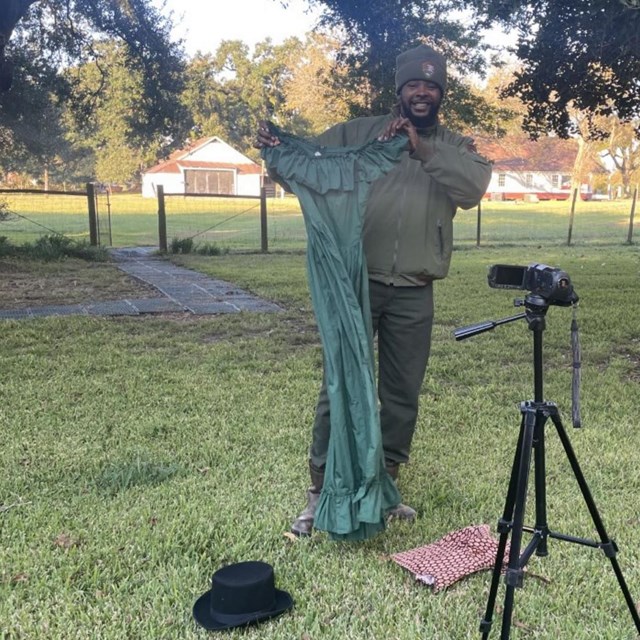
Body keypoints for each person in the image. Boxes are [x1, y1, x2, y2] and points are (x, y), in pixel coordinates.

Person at [256, 43, 492, 536]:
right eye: (413, 84)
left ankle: (383, 488)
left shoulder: (455, 145)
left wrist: (421, 149)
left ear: (441, 92)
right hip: (356, 285)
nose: (422, 92)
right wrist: (276, 152)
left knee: (402, 394)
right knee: (340, 384)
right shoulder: (357, 133)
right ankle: (320, 492)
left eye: (431, 85)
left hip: (415, 289)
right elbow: (308, 164)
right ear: (400, 89)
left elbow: (473, 189)